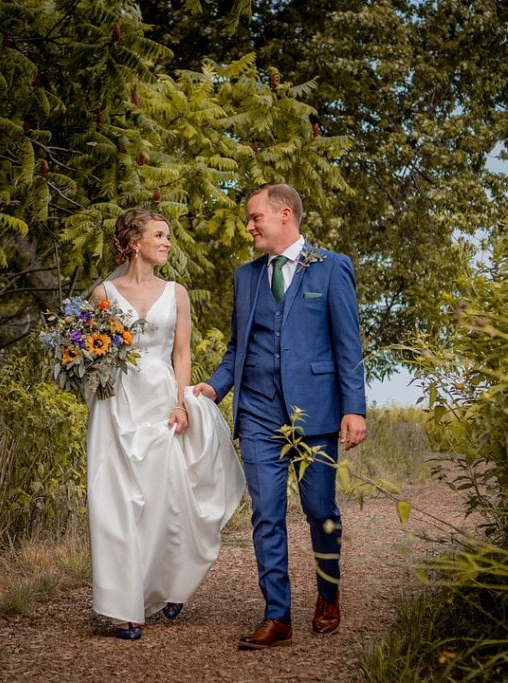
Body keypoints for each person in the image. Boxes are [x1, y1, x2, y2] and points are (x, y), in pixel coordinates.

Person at [193, 183, 368, 650]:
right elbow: (237, 347)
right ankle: (277, 616)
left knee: (319, 511)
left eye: (255, 218)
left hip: (315, 412)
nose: (248, 226)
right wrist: (213, 386)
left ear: (284, 214)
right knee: (266, 515)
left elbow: (348, 346)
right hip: (257, 412)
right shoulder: (245, 276)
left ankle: (327, 596)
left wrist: (354, 408)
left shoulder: (331, 268)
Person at [86, 208, 246, 640]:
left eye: (169, 236)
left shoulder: (177, 293)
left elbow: (181, 354)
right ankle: (124, 608)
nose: (168, 242)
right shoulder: (103, 293)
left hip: (160, 402)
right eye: (159, 235)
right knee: (116, 501)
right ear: (134, 242)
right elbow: (86, 348)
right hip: (114, 404)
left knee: (163, 499)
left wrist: (181, 403)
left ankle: (173, 580)